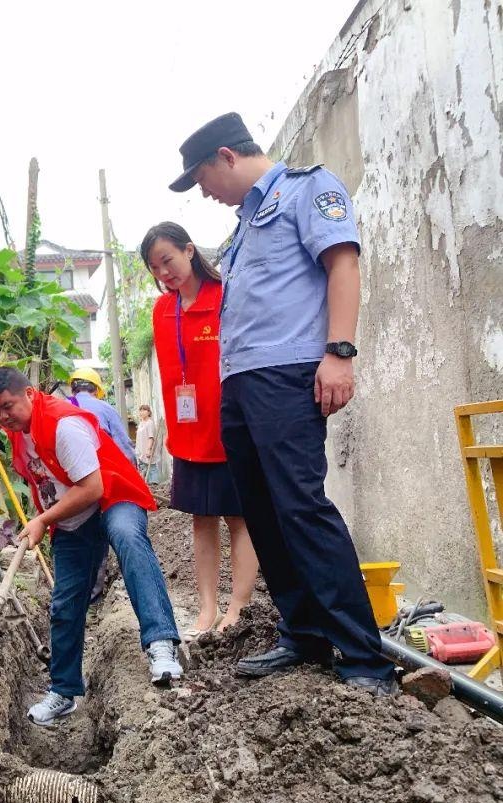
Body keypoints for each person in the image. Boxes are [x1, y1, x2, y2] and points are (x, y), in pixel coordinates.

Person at [169, 112, 397, 695]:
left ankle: (364, 656)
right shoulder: (242, 229)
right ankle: (304, 633)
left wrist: (339, 352)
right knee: (264, 512)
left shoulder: (306, 190)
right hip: (241, 384)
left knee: (300, 505)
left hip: (287, 374)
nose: (205, 194)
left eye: (202, 180)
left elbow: (343, 262)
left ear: (226, 156)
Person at [0, 368, 181, 727]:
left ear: (28, 394)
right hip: (74, 516)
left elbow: (92, 487)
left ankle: (161, 645)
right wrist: (42, 519)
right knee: (65, 602)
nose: (2, 417)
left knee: (128, 541)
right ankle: (63, 691)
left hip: (112, 496)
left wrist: (43, 520)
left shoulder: (63, 425)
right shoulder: (18, 433)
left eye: (8, 406)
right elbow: (47, 481)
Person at [141, 221, 259, 641]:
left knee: (239, 519)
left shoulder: (224, 298)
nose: (163, 273)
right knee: (201, 520)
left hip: (228, 432)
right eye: (155, 267)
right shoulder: (162, 310)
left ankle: (238, 606)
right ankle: (207, 607)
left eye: (168, 261)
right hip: (187, 436)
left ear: (189, 251)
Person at [66, 367, 135, 603]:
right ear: (96, 390)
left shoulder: (63, 407)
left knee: (73, 538)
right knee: (100, 537)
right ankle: (93, 597)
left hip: (69, 486)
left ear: (73, 387)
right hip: (102, 483)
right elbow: (125, 449)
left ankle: (73, 594)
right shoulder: (105, 409)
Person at [67, 368, 136, 462]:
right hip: (102, 469)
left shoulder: (61, 407)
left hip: (66, 470)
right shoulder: (107, 409)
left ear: (73, 390)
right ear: (96, 390)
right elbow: (124, 446)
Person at [135, 404, 159, 484]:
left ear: (148, 412)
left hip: (147, 449)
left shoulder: (149, 423)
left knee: (151, 468)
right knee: (144, 467)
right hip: (141, 449)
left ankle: (154, 485)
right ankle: (148, 485)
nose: (142, 412)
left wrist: (148, 449)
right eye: (140, 410)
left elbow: (151, 437)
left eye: (144, 410)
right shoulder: (141, 423)